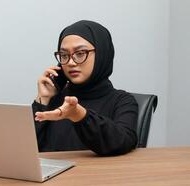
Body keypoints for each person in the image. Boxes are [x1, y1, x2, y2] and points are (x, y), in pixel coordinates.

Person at [32, 20, 138, 156]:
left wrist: (78, 114)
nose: (70, 62)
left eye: (80, 53)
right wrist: (43, 100)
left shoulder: (123, 101)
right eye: (64, 55)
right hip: (52, 176)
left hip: (95, 176)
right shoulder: (55, 99)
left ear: (101, 54)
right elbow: (22, 149)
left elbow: (122, 142)